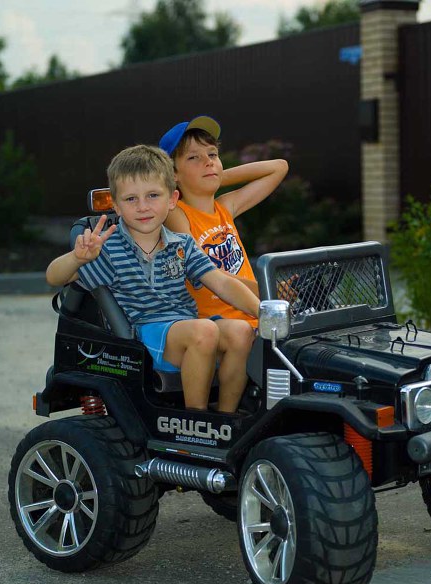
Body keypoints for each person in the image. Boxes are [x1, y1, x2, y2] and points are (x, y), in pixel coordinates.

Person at [45, 144, 258, 414]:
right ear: (116, 205)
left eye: (153, 195)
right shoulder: (107, 247)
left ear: (172, 199)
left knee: (241, 331)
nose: (143, 207)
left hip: (185, 330)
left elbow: (222, 282)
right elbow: (54, 276)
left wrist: (262, 312)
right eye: (131, 199)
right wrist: (77, 258)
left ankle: (226, 417)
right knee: (204, 331)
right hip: (142, 338)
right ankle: (196, 421)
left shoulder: (182, 245)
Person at [159, 115, 288, 328]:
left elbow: (279, 167)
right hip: (219, 326)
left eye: (212, 155)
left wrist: (216, 176)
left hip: (253, 317)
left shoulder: (225, 206)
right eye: (194, 158)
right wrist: (267, 290)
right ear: (173, 173)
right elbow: (206, 270)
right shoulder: (174, 213)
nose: (208, 161)